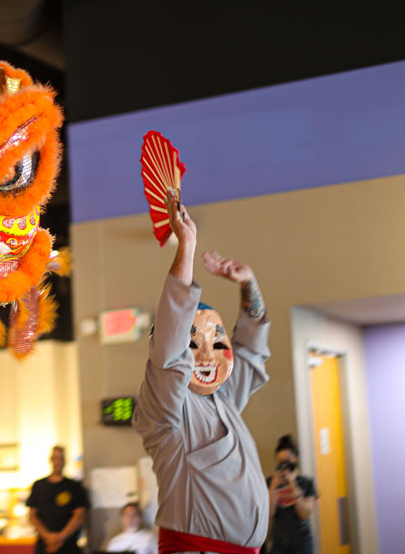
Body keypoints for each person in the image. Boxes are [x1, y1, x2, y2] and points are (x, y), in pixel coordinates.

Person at [132, 189, 271, 553]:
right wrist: (187, 246)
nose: (207, 355)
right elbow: (169, 353)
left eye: (216, 340)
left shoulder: (224, 398)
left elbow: (252, 351)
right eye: (194, 344)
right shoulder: (165, 413)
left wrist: (248, 282)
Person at [26, 446, 88, 554]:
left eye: (61, 458)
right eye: (55, 458)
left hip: (69, 546)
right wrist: (49, 538)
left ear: (65, 461)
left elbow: (80, 515)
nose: (58, 461)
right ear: (50, 460)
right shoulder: (38, 485)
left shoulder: (74, 486)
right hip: (44, 546)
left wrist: (60, 538)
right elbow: (32, 516)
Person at [266, 435, 316, 554]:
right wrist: (273, 487)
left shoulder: (306, 483)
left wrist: (293, 485)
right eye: (281, 463)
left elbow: (305, 514)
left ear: (296, 459)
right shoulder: (271, 482)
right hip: (278, 542)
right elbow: (269, 513)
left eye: (288, 462)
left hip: (301, 541)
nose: (285, 466)